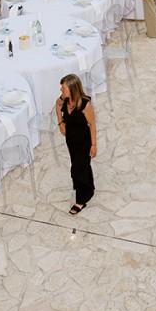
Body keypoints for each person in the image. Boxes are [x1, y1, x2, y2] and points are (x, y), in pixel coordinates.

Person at [56, 74, 96, 214]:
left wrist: (93, 145)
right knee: (81, 166)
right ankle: (89, 188)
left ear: (72, 89)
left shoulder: (85, 105)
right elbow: (57, 106)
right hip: (71, 141)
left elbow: (92, 125)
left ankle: (81, 199)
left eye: (63, 88)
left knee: (78, 169)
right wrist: (61, 123)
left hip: (84, 142)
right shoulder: (64, 100)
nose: (61, 90)